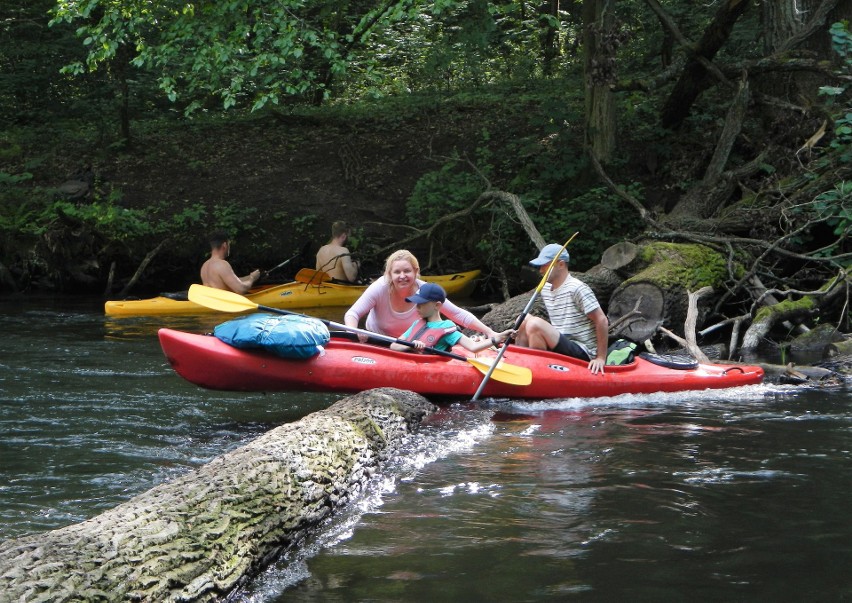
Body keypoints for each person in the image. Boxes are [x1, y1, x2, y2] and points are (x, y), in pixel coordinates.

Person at [344, 249, 500, 341]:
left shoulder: (426, 291)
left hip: (412, 343)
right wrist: (353, 332)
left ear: (416, 272)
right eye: (397, 272)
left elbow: (458, 314)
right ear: (389, 274)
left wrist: (489, 332)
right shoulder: (379, 287)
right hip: (378, 341)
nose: (402, 276)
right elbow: (353, 313)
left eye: (407, 271)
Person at [514, 243, 609, 374]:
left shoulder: (577, 288)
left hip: (583, 350)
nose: (541, 270)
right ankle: (519, 361)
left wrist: (600, 358)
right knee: (523, 319)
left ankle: (537, 369)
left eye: (545, 265)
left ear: (561, 264)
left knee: (534, 324)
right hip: (561, 343)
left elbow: (602, 320)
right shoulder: (546, 289)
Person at [390, 283, 513, 353]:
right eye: (416, 304)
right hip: (408, 361)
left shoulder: (448, 330)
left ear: (437, 305)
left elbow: (473, 347)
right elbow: (393, 346)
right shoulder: (417, 323)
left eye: (421, 304)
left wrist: (498, 337)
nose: (417, 307)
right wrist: (409, 345)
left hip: (428, 366)